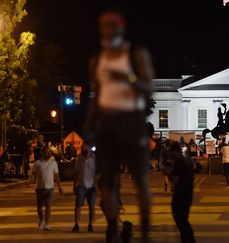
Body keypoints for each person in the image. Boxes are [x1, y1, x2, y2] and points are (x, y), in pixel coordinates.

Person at [85, 8, 154, 243]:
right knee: (106, 180)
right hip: (106, 123)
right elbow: (96, 96)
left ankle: (145, 230)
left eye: (113, 25)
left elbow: (148, 87)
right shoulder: (97, 60)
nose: (109, 29)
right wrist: (88, 124)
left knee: (140, 179)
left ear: (121, 28)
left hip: (131, 120)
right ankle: (112, 226)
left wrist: (128, 78)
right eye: (104, 25)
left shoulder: (135, 54)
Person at [161, 140, 196, 243]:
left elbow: (175, 179)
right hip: (187, 193)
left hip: (181, 193)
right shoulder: (187, 160)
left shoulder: (180, 162)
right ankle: (190, 239)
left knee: (180, 220)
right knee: (183, 220)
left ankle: (188, 240)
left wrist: (167, 171)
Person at [28, 145, 63, 231]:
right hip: (39, 188)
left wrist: (59, 186)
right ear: (43, 153)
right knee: (40, 207)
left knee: (48, 206)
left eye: (49, 152)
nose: (48, 153)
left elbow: (56, 175)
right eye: (47, 152)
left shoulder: (54, 163)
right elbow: (33, 174)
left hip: (50, 188)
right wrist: (29, 181)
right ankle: (42, 220)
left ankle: (47, 223)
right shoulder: (37, 163)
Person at [72, 143, 96, 232]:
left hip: (92, 186)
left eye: (84, 147)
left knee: (92, 206)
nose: (82, 148)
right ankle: (76, 224)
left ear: (89, 148)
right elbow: (76, 172)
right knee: (78, 206)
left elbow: (98, 173)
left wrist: (97, 185)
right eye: (82, 147)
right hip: (81, 185)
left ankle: (91, 224)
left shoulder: (94, 159)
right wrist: (74, 185)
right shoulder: (79, 158)